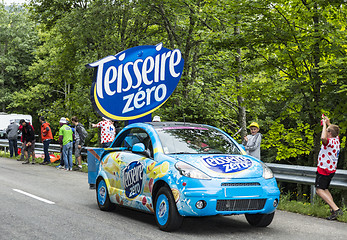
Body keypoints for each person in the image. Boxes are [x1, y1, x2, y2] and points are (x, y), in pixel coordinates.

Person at [315, 116, 343, 220]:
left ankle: (336, 209)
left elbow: (323, 138)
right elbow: (334, 131)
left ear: (329, 133)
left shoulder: (329, 142)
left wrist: (325, 126)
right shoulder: (336, 139)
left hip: (324, 169)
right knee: (325, 189)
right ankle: (333, 211)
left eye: (327, 131)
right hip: (331, 170)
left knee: (319, 190)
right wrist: (328, 122)